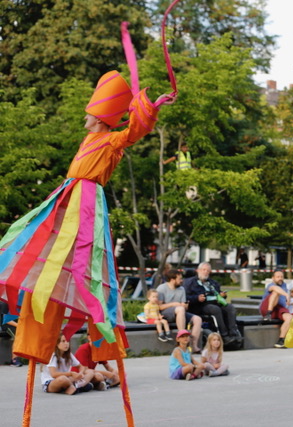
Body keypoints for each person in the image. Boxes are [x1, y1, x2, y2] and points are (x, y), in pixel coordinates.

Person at [0, 70, 176, 343]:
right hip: (68, 193)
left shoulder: (110, 140)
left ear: (98, 118)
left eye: (88, 113)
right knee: (31, 234)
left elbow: (133, 132)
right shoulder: (89, 139)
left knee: (82, 255)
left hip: (86, 198)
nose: (85, 117)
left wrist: (152, 106)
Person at [183, 262, 241, 345]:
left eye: (208, 271)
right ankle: (224, 335)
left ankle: (233, 333)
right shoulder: (190, 283)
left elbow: (219, 294)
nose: (206, 272)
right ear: (198, 270)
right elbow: (186, 297)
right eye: (204, 270)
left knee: (230, 307)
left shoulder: (213, 283)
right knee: (215, 309)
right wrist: (197, 298)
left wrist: (222, 295)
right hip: (200, 305)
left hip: (215, 302)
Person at [157, 269, 203, 352]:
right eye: (179, 279)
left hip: (180, 312)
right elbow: (159, 307)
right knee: (180, 309)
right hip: (166, 313)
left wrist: (185, 305)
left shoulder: (181, 289)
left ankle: (194, 345)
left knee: (197, 319)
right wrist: (174, 304)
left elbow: (183, 306)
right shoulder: (162, 288)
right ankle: (182, 336)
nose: (182, 281)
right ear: (172, 280)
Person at [260, 270, 292, 348]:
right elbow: (275, 288)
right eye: (278, 277)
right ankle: (268, 314)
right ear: (273, 278)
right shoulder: (270, 285)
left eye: (281, 277)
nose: (280, 278)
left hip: (279, 308)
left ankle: (281, 340)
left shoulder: (285, 286)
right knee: (276, 292)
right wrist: (286, 295)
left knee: (289, 317)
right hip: (267, 307)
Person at [0, 300, 22, 367]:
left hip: (13, 325)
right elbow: (7, 320)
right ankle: (14, 359)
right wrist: (20, 326)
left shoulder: (17, 305)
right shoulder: (5, 304)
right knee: (17, 336)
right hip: (5, 325)